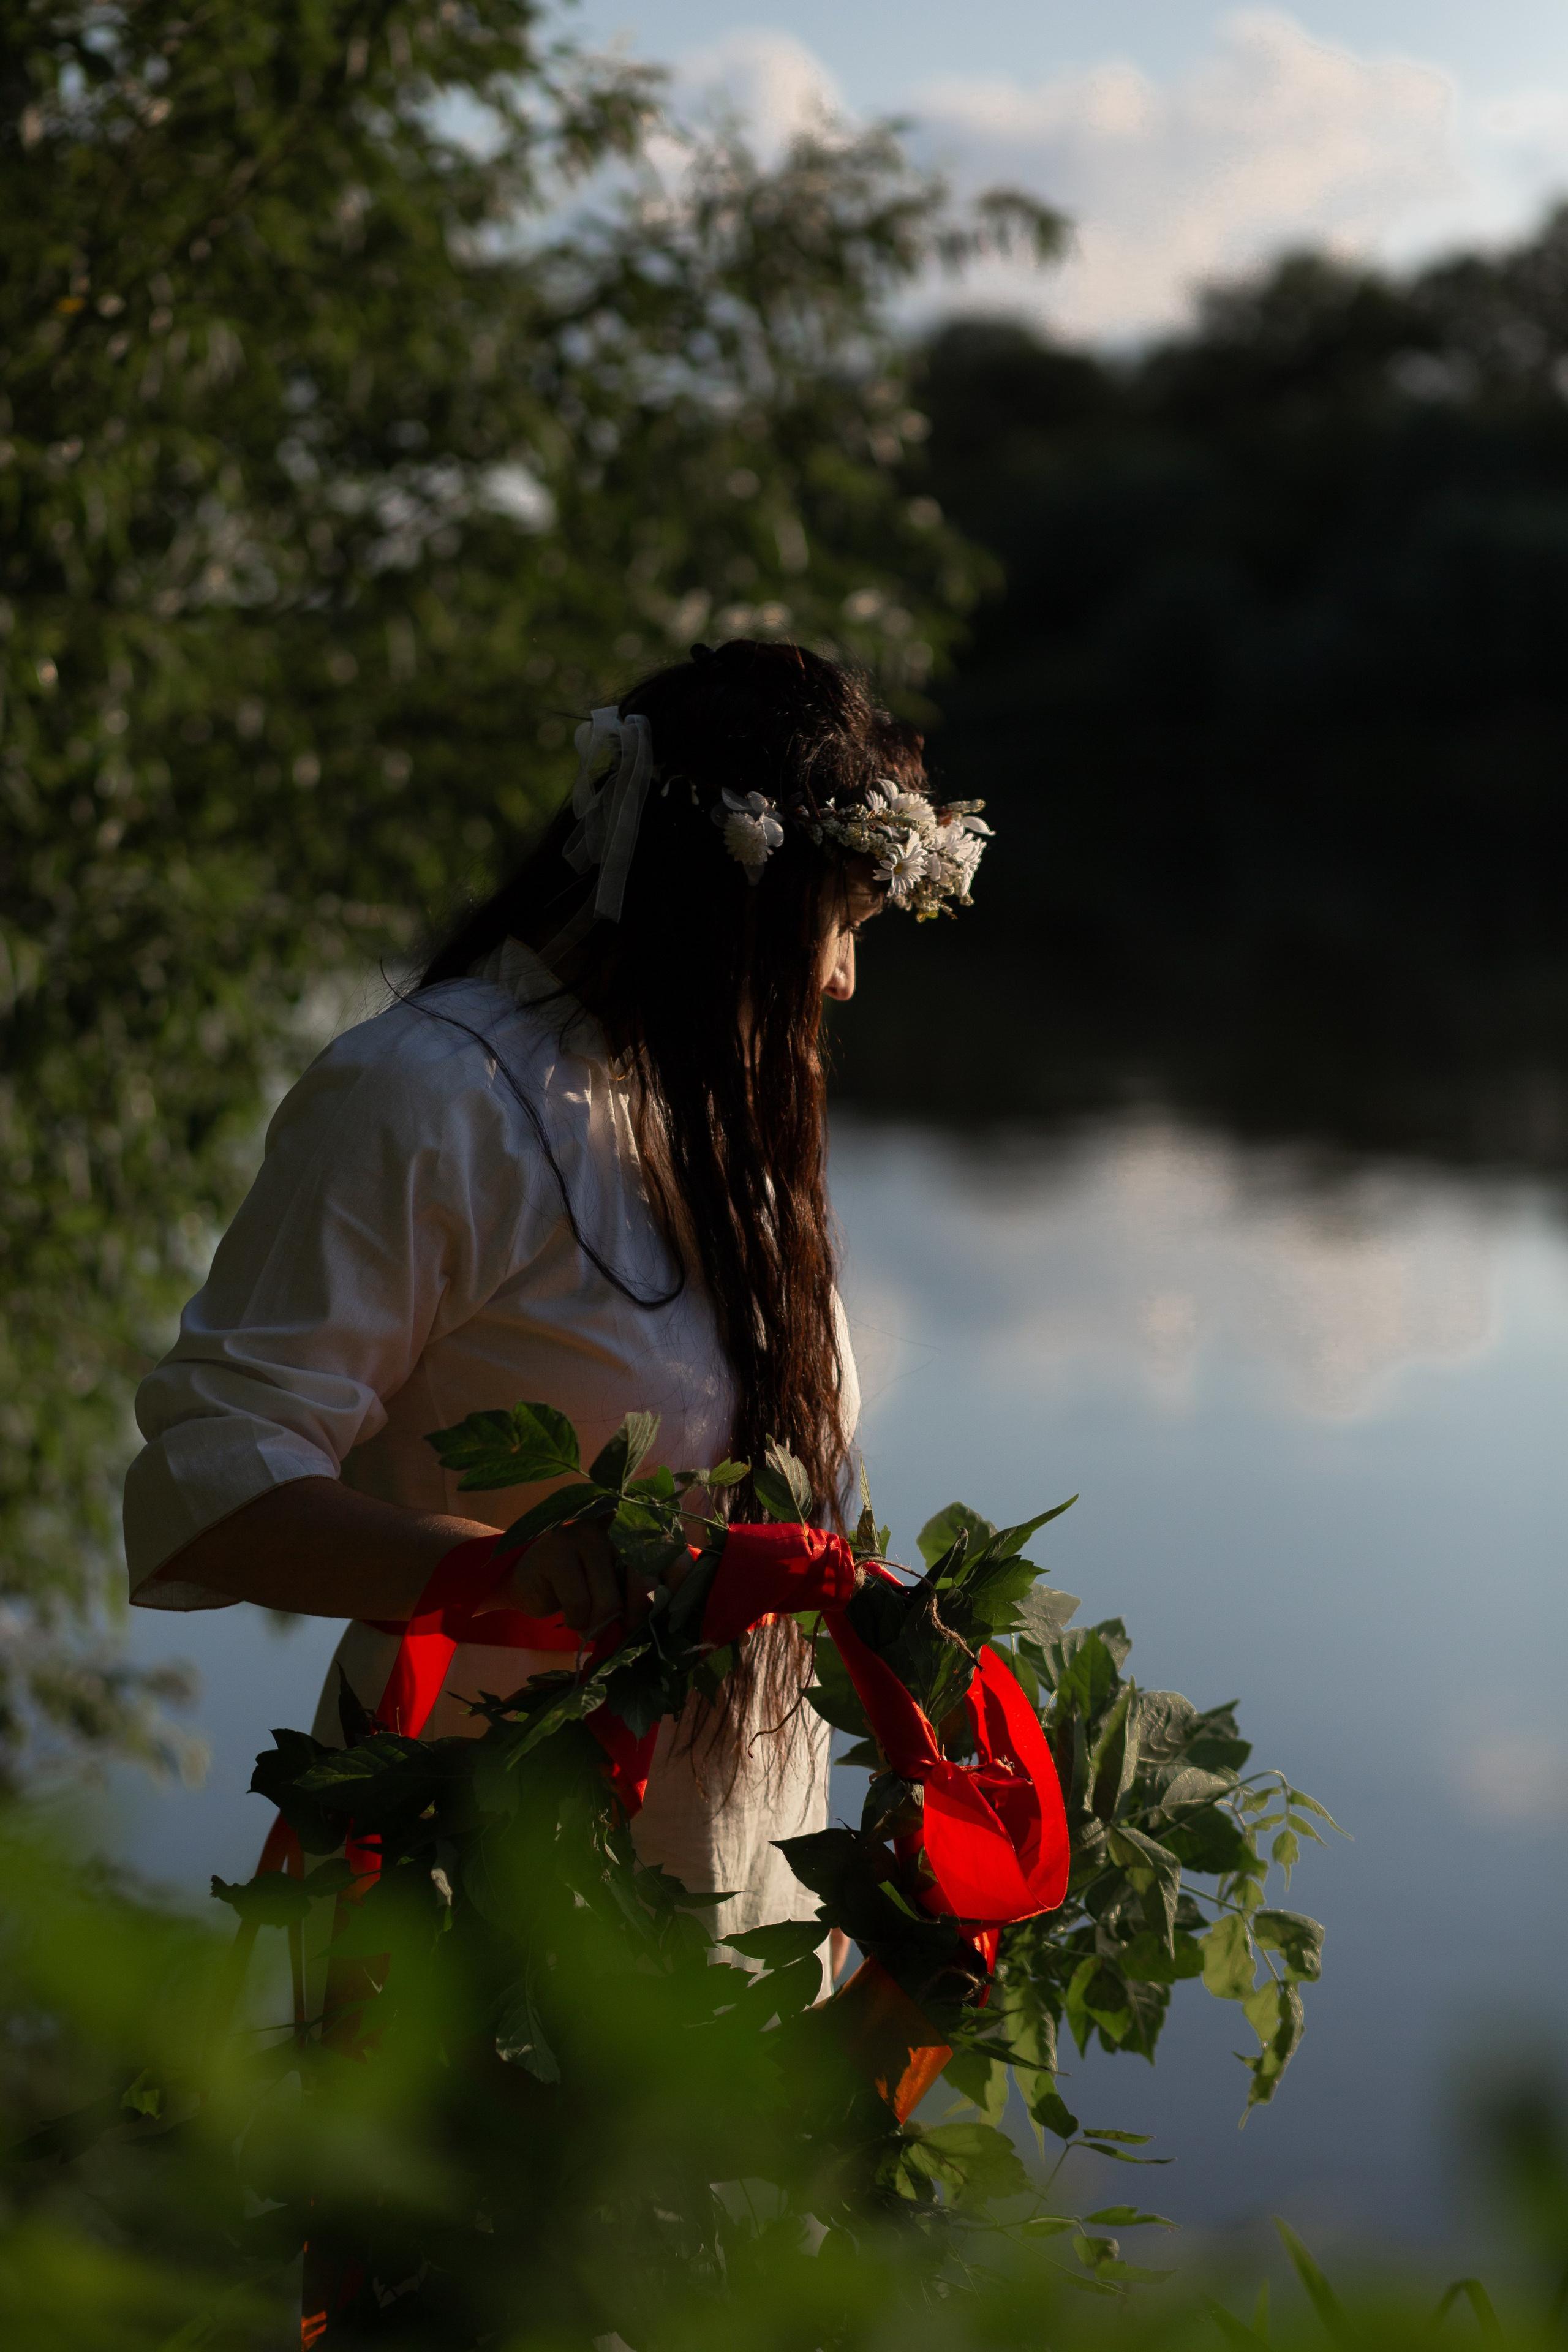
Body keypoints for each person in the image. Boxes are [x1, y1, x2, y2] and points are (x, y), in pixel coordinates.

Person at [124, 638, 989, 1945]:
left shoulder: (723, 1098)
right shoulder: (428, 1096)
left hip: (735, 1854)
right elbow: (212, 1490)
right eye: (840, 926)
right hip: (499, 1869)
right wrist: (509, 1576)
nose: (840, 980)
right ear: (729, 898)